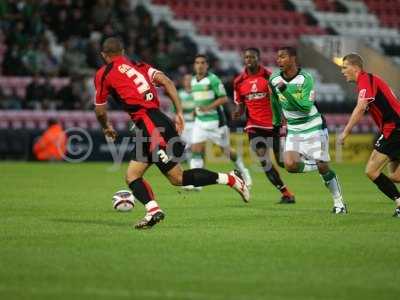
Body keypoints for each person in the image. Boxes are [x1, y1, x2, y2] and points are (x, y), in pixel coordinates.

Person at [94, 37, 250, 229]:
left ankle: (231, 180)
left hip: (152, 128)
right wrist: (178, 112)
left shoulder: (104, 73)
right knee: (140, 176)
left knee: (176, 178)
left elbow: (100, 111)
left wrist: (106, 126)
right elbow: (166, 82)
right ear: (123, 52)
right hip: (157, 122)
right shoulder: (138, 65)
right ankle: (153, 210)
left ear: (104, 55)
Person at [269, 47, 347, 214]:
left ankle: (339, 202)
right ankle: (319, 164)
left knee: (324, 169)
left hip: (313, 125)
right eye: (278, 57)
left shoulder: (306, 78)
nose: (279, 60)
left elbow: (305, 107)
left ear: (293, 58)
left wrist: (285, 91)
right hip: (294, 127)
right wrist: (277, 120)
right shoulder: (274, 78)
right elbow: (274, 98)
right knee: (289, 165)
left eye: (283, 57)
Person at [339, 53, 400, 217]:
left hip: (395, 128)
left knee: (371, 171)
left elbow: (360, 108)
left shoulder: (365, 80)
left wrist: (345, 132)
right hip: (393, 128)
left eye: (345, 67)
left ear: (355, 67)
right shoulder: (368, 81)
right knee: (394, 175)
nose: (342, 71)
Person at [232, 48, 295, 204]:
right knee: (264, 161)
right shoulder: (238, 81)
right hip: (254, 125)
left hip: (273, 124)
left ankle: (306, 161)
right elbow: (240, 104)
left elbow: (285, 96)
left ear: (258, 58)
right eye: (246, 57)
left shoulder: (271, 77)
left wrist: (285, 116)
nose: (249, 59)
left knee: (282, 161)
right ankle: (286, 193)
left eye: (252, 57)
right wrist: (238, 112)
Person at [188, 54, 252, 189]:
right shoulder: (193, 81)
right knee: (196, 150)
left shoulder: (213, 80)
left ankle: (244, 171)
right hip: (200, 122)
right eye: (197, 62)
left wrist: (208, 108)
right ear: (194, 65)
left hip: (216, 122)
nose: (199, 65)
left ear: (207, 65)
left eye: (202, 63)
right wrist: (196, 110)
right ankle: (195, 182)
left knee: (227, 151)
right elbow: (198, 100)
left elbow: (223, 99)